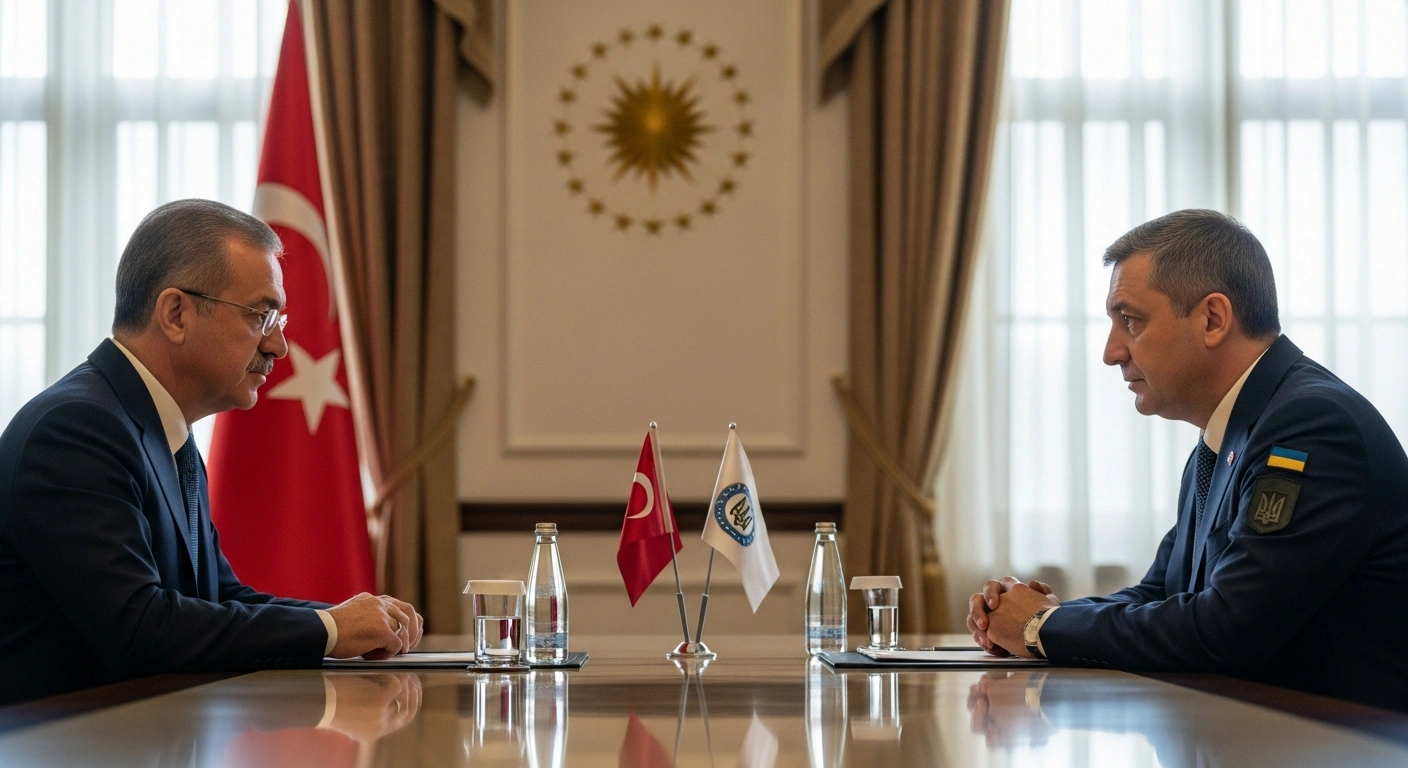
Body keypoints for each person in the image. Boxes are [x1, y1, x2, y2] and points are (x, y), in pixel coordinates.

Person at [966, 209, 1408, 711]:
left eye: (1129, 321)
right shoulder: (1227, 435)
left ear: (1213, 319)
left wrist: (1041, 627)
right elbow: (1163, 593)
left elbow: (1227, 628)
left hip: (1344, 747)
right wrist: (1041, 615)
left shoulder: (1312, 427)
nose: (1112, 352)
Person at [0, 199, 423, 706]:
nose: (279, 347)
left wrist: (351, 623)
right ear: (175, 314)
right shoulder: (75, 431)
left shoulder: (163, 429)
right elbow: (142, 629)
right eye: (262, 315)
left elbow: (219, 600)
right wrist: (329, 628)